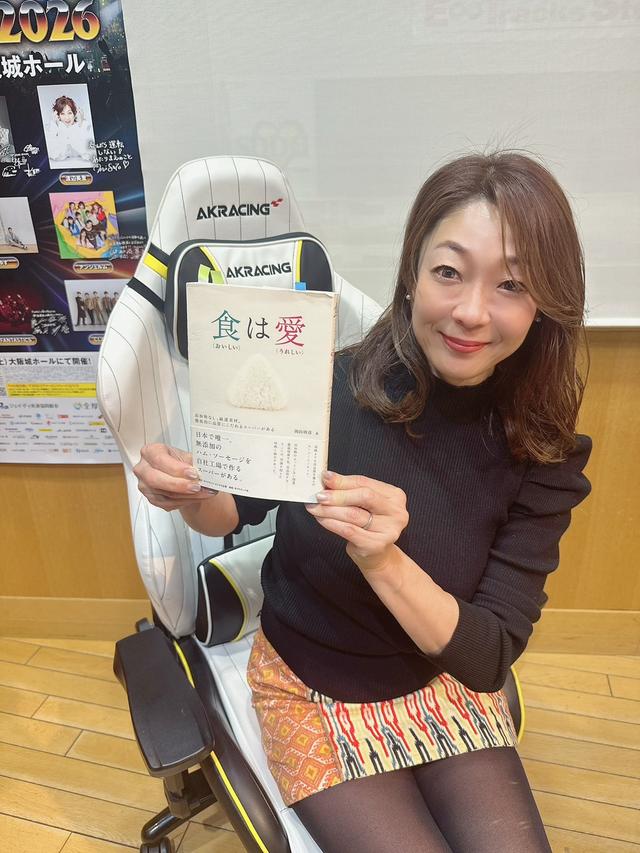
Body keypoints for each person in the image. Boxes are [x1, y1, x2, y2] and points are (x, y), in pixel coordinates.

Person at [132, 151, 593, 852]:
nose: (472, 311)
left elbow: (487, 657)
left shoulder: (543, 450)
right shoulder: (325, 388)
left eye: (511, 284)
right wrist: (189, 494)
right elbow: (229, 512)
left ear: (545, 304)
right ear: (411, 274)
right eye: (449, 272)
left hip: (443, 681)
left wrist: (385, 561)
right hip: (309, 686)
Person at [47, 95, 94, 164]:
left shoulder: (84, 125)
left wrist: (81, 124)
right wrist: (53, 124)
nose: (67, 118)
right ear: (58, 115)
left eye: (69, 113)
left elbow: (89, 154)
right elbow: (53, 154)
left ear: (74, 113)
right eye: (62, 114)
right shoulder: (56, 127)